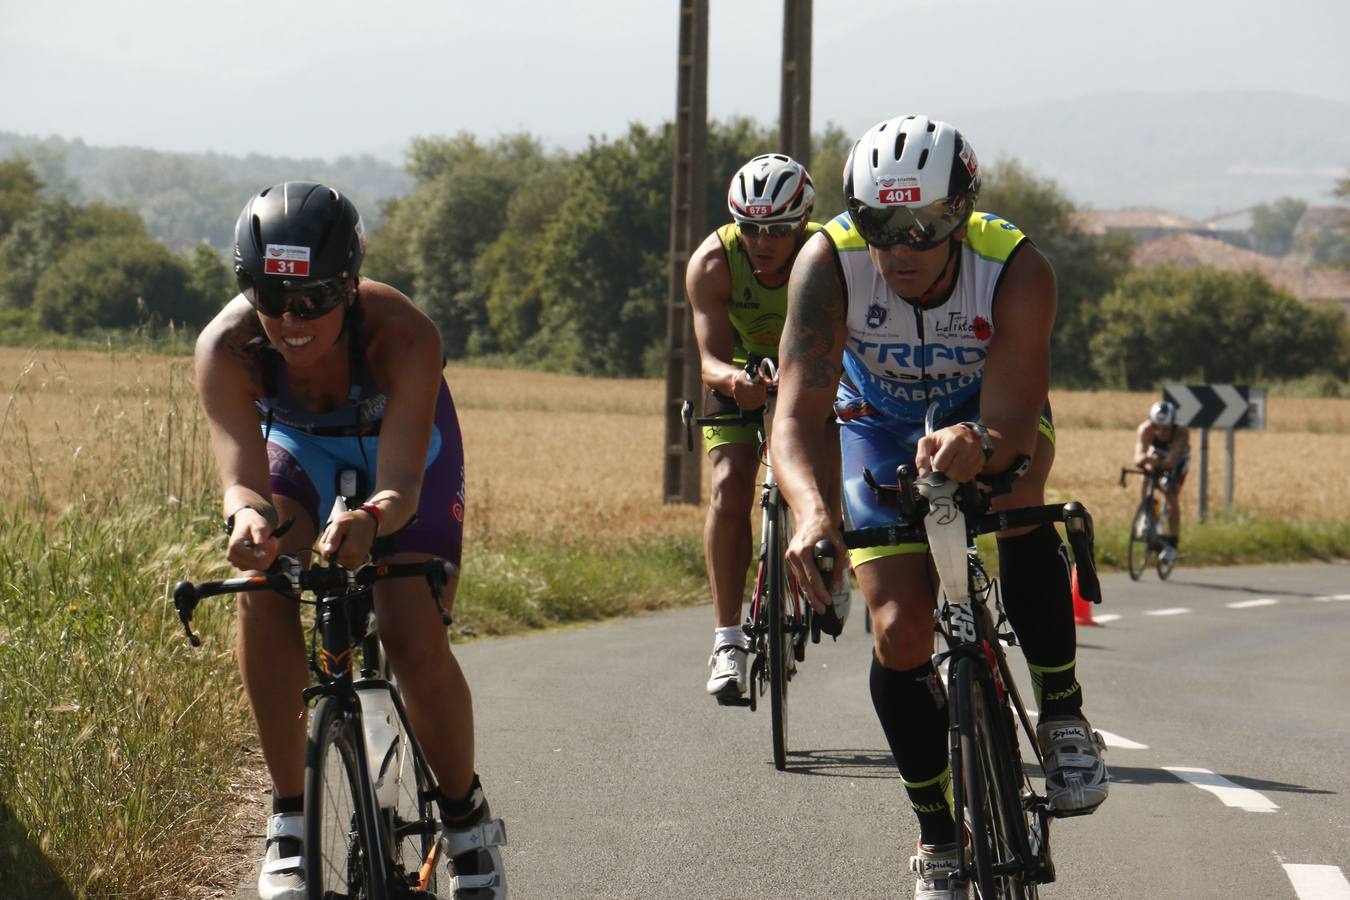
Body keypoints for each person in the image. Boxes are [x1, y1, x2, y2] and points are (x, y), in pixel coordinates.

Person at [770, 117, 1108, 899]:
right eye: (878, 226)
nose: (899, 250)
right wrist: (812, 514)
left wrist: (978, 441)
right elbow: (793, 417)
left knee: (1020, 504)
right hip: (877, 427)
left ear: (961, 213)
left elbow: (1016, 425)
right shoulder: (827, 262)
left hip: (986, 411)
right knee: (898, 630)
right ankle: (937, 835)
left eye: (922, 228)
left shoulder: (1016, 266)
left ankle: (1060, 715)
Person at [194, 182, 506, 899]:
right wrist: (246, 522)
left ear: (350, 287)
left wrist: (370, 519)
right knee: (261, 587)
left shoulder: (402, 334)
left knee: (409, 627)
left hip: (401, 456)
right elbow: (242, 485)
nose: (290, 321)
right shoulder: (226, 347)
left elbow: (398, 486)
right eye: (271, 299)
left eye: (313, 301)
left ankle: (465, 820)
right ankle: (290, 819)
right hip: (298, 458)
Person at [685, 153, 848, 702]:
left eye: (778, 228)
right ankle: (728, 640)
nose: (762, 239)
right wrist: (735, 381)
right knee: (730, 488)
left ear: (803, 222)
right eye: (750, 226)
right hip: (739, 375)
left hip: (814, 367)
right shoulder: (713, 260)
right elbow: (707, 360)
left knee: (823, 469)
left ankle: (833, 555)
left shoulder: (830, 254)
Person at [1135, 399, 1190, 563]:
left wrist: (1148, 460)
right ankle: (1148, 513)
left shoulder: (1181, 432)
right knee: (1146, 477)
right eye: (1156, 427)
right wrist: (1147, 461)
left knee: (1171, 494)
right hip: (1156, 456)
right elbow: (1137, 457)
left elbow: (1171, 461)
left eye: (1165, 428)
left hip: (1178, 460)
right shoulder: (1145, 429)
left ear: (1172, 423)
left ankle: (1173, 543)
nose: (1160, 432)